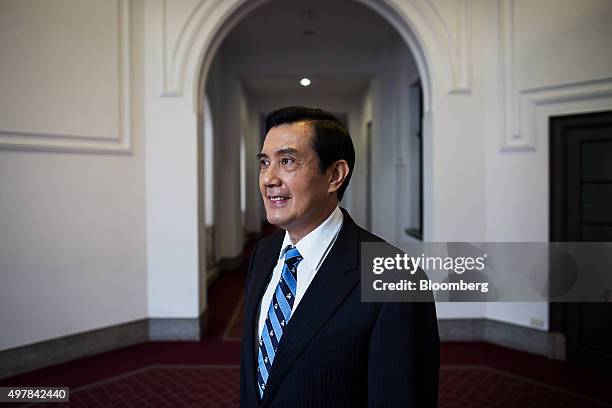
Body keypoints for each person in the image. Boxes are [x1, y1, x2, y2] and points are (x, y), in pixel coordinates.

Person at [240, 106, 439, 407]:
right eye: (265, 162)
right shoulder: (264, 254)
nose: (269, 178)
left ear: (335, 175)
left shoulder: (397, 278)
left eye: (287, 161)